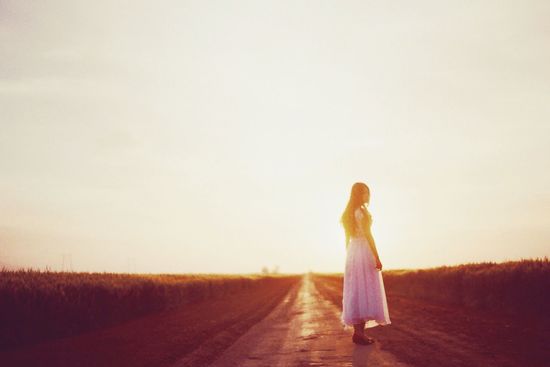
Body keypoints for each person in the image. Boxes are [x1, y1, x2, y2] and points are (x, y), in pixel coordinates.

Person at [339, 182, 391, 345]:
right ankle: (359, 334)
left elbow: (347, 239)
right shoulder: (361, 212)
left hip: (353, 252)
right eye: (365, 193)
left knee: (356, 290)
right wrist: (377, 256)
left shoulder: (348, 213)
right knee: (364, 289)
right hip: (363, 250)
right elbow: (369, 235)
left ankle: (359, 333)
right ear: (358, 194)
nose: (368, 196)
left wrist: (350, 255)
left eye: (368, 193)